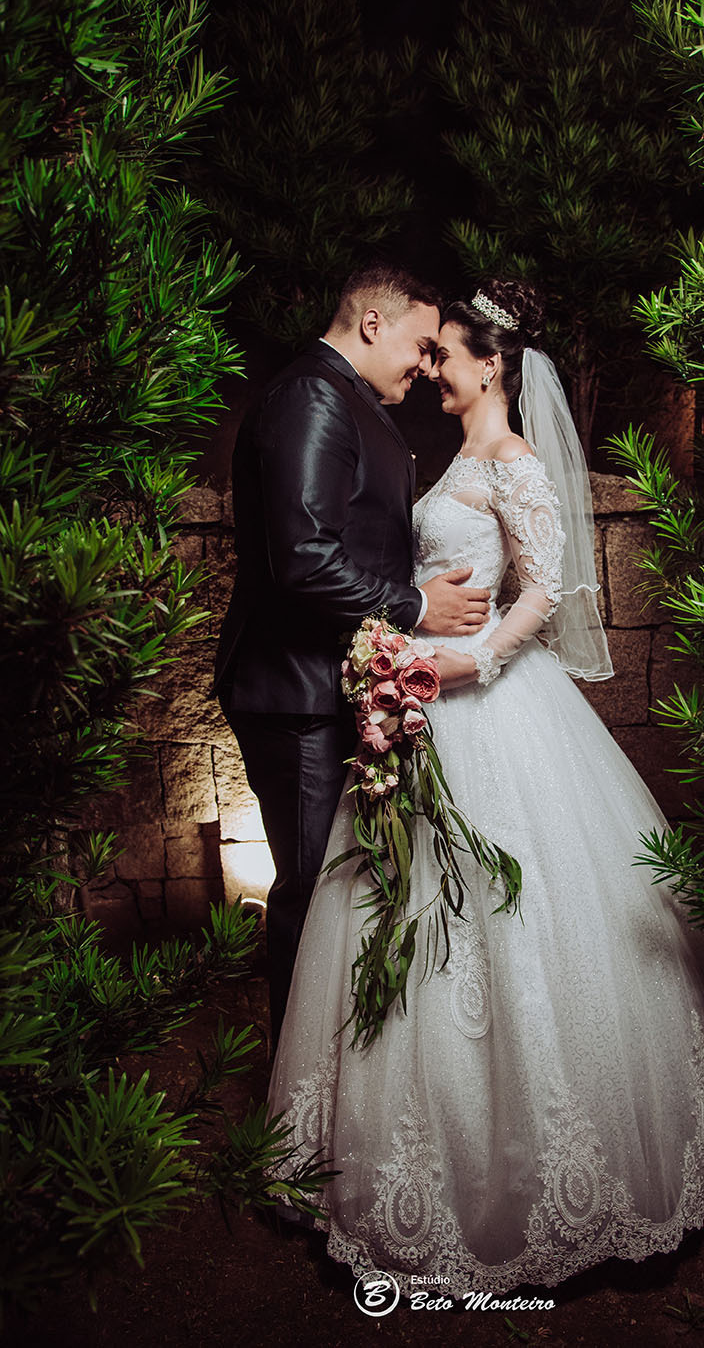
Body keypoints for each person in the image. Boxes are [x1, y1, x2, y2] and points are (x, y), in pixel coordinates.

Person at [267, 278, 704, 1297]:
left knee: (523, 918)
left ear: (491, 364)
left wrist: (469, 662)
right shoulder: (452, 459)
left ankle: (556, 1173)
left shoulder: (515, 462)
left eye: (446, 351)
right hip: (427, 700)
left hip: (490, 701)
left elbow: (546, 587)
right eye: (432, 349)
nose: (434, 366)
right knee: (404, 908)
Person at [213, 265, 491, 1047]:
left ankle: (331, 1081)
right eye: (422, 345)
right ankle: (295, 1104)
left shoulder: (345, 400)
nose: (429, 365)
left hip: (332, 689)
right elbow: (301, 556)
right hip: (295, 695)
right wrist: (416, 605)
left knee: (344, 887)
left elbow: (345, 540)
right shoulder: (312, 397)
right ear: (373, 322)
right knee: (314, 887)